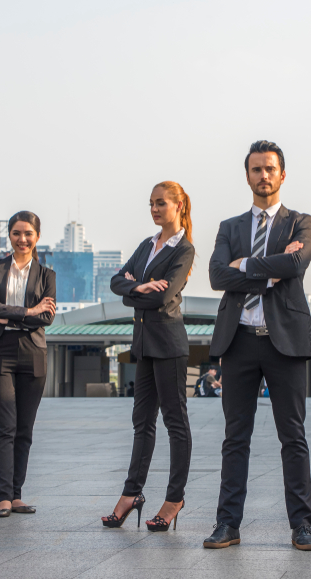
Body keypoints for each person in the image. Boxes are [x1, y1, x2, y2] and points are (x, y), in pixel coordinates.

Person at [204, 140, 311, 551]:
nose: (263, 176)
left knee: (294, 435)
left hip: (283, 342)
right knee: (235, 437)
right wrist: (270, 272)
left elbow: (296, 265)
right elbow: (218, 276)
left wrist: (247, 265)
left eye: (270, 169)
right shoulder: (229, 227)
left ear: (282, 174)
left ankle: (302, 525)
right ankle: (227, 524)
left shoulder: (299, 223)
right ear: (248, 175)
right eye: (256, 169)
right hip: (238, 342)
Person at [103, 181, 196, 532]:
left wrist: (135, 290)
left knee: (175, 424)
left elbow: (162, 297)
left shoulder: (183, 249)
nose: (155, 209)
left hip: (169, 345)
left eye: (161, 203)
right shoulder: (147, 245)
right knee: (141, 422)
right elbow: (116, 280)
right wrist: (138, 287)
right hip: (143, 345)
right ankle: (132, 493)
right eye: (151, 204)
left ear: (179, 205)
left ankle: (175, 498)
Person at [0, 211, 56, 518]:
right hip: (0, 350)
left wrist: (7, 311)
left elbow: (46, 316)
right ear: (8, 236)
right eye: (16, 233)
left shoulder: (47, 275)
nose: (22, 239)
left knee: (24, 429)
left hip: (33, 353)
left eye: (28, 234)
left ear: (37, 237)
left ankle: (18, 495)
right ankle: (3, 498)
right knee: (4, 428)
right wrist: (27, 310)